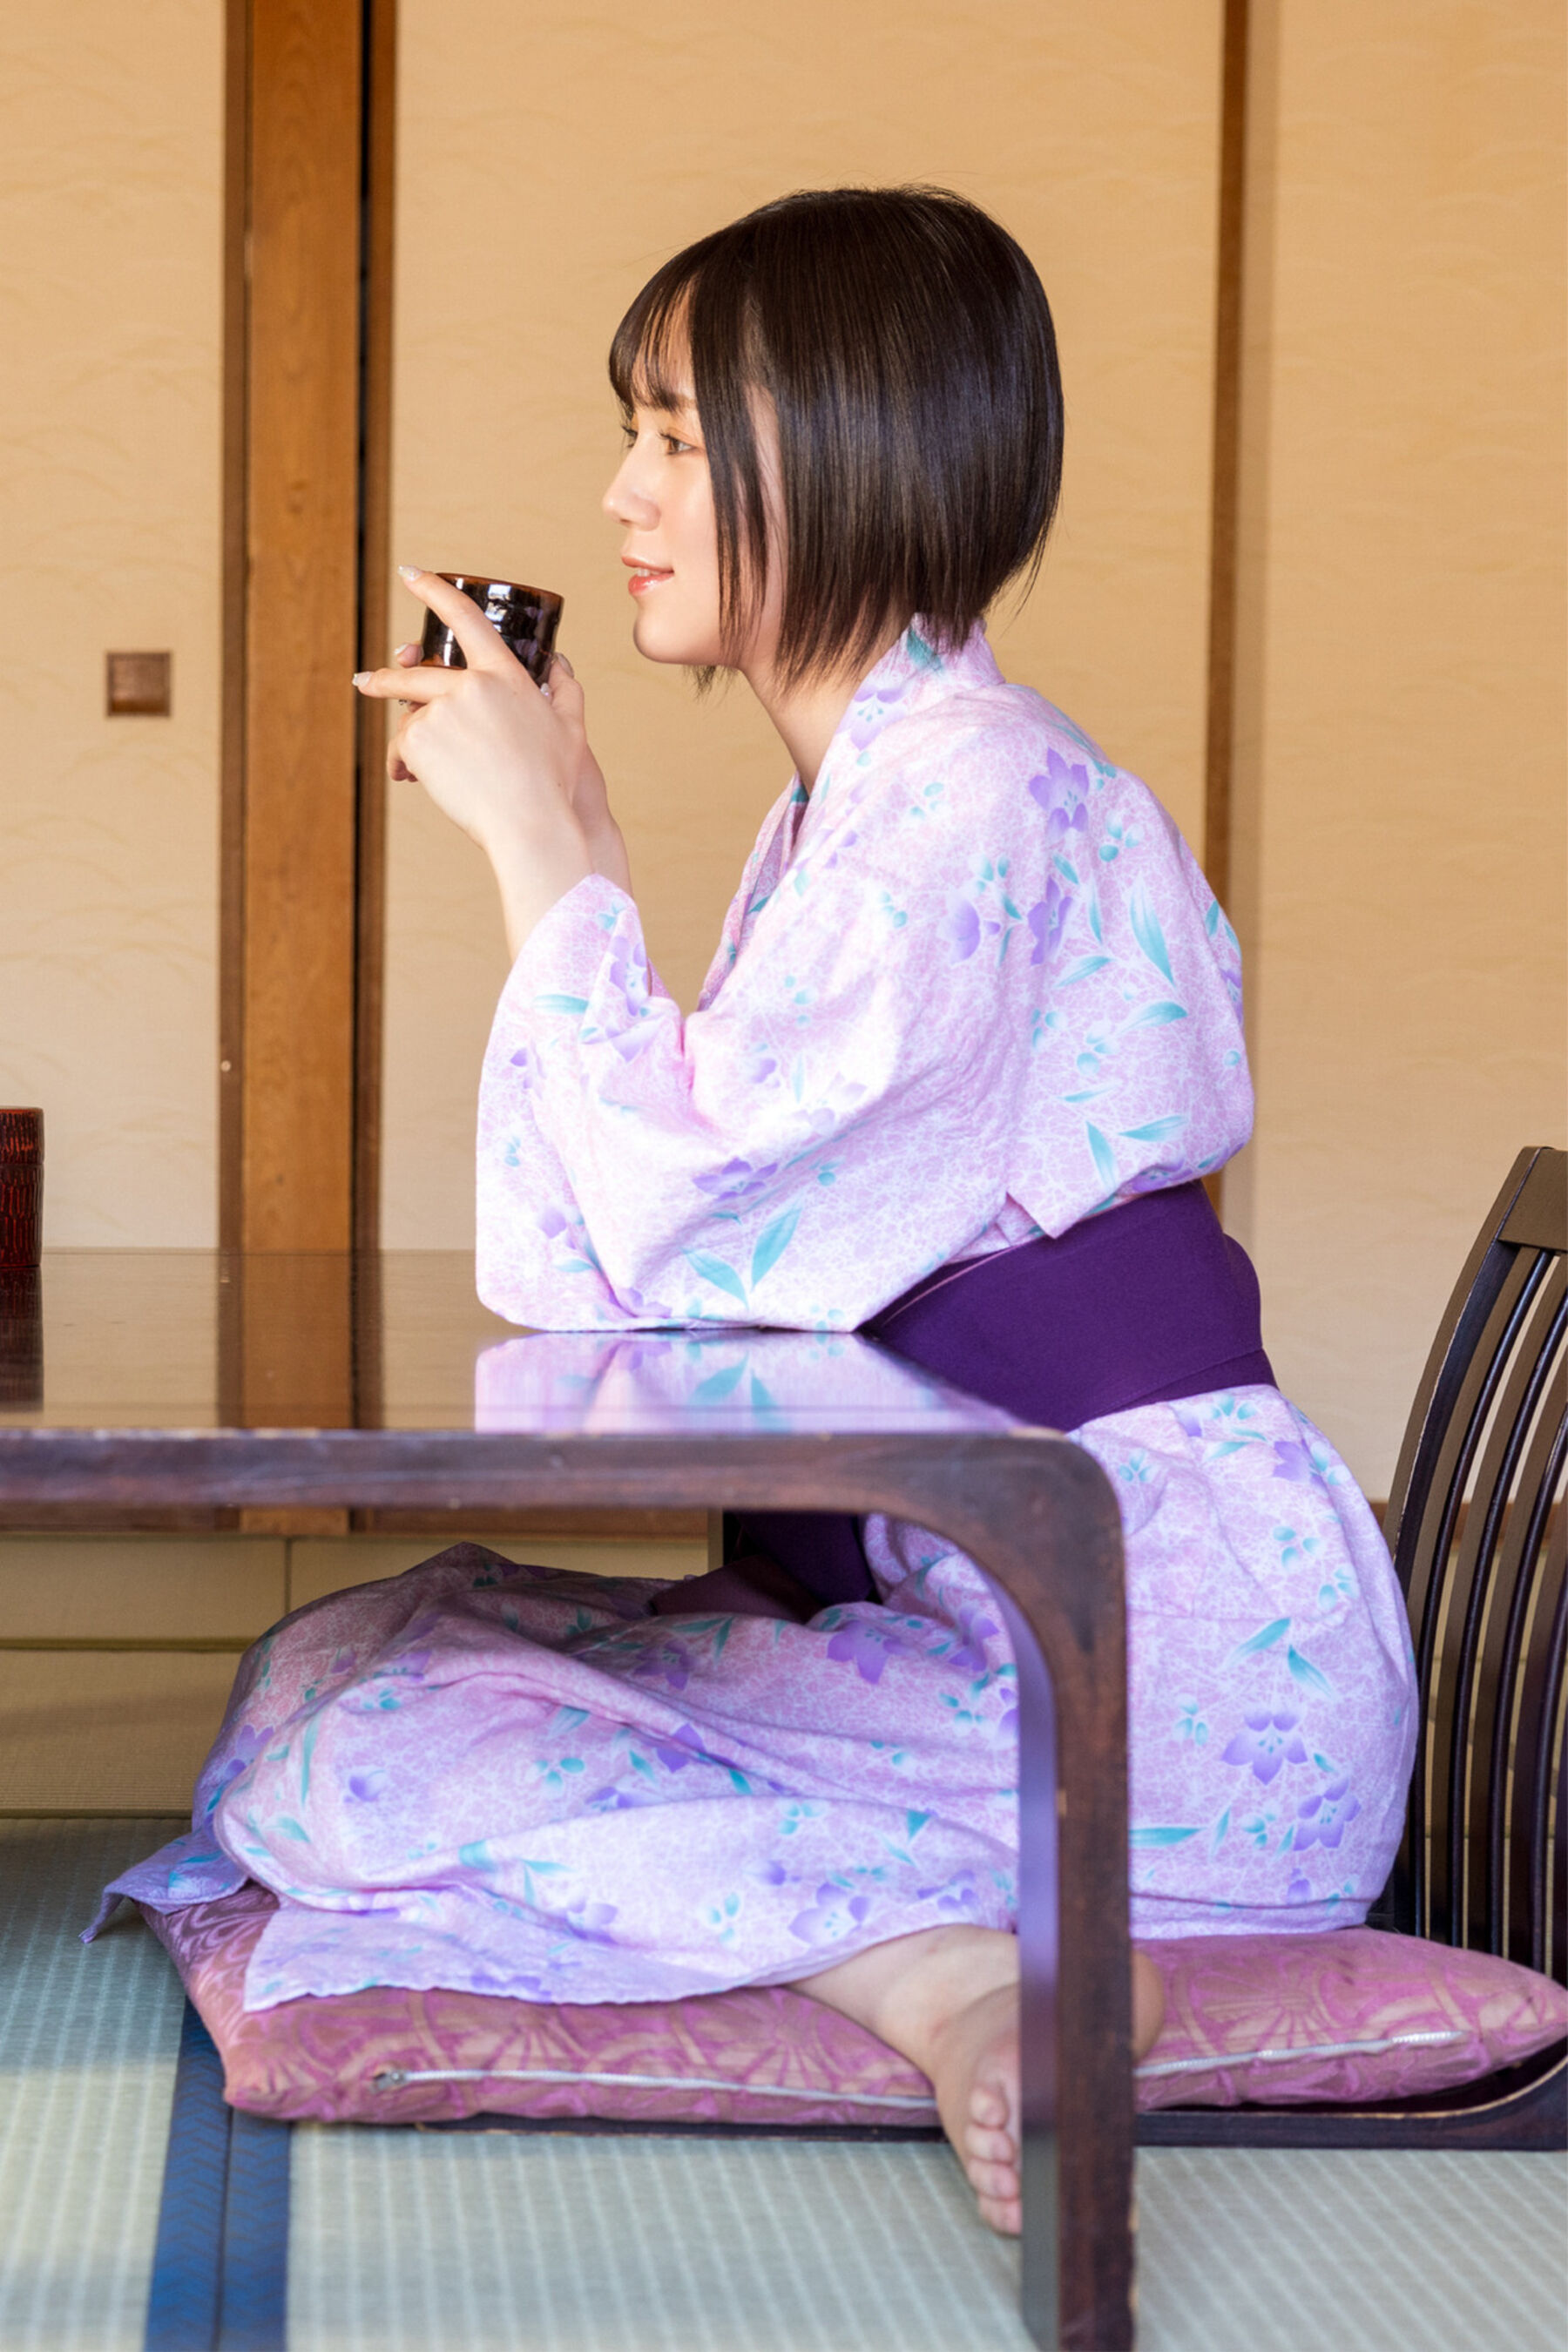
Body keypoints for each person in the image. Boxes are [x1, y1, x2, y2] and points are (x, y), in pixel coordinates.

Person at [97, 188, 1416, 2236]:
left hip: (1164, 1697)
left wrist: (548, 857)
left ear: (860, 453)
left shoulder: (970, 795)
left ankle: (942, 1972)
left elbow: (662, 1247)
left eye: (678, 439)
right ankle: (931, 1949)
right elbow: (674, 1252)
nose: (623, 492)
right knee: (348, 1652)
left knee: (370, 1741)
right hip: (1048, 1625)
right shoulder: (883, 801)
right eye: (632, 432)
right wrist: (587, 835)